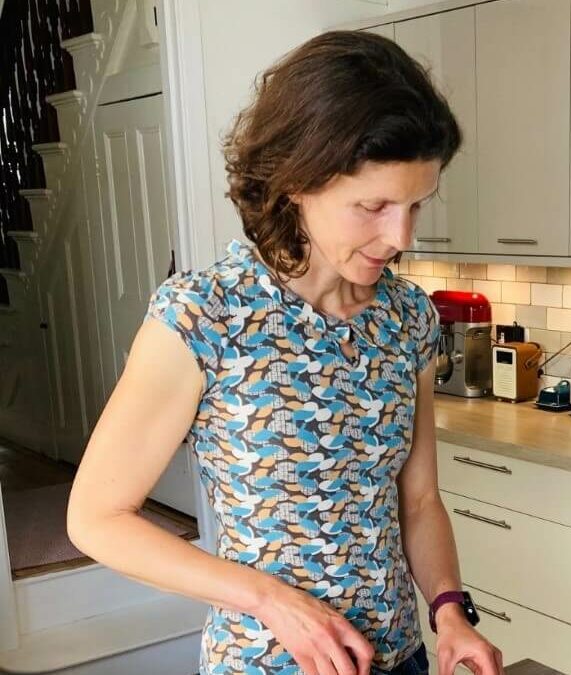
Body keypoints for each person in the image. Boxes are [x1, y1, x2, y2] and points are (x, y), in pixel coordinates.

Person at [67, 30, 504, 675]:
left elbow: (418, 500)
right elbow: (97, 519)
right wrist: (272, 601)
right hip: (268, 663)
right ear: (297, 183)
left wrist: (448, 612)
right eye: (373, 205)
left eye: (417, 203)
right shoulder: (205, 314)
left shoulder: (407, 317)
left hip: (401, 658)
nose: (401, 235)